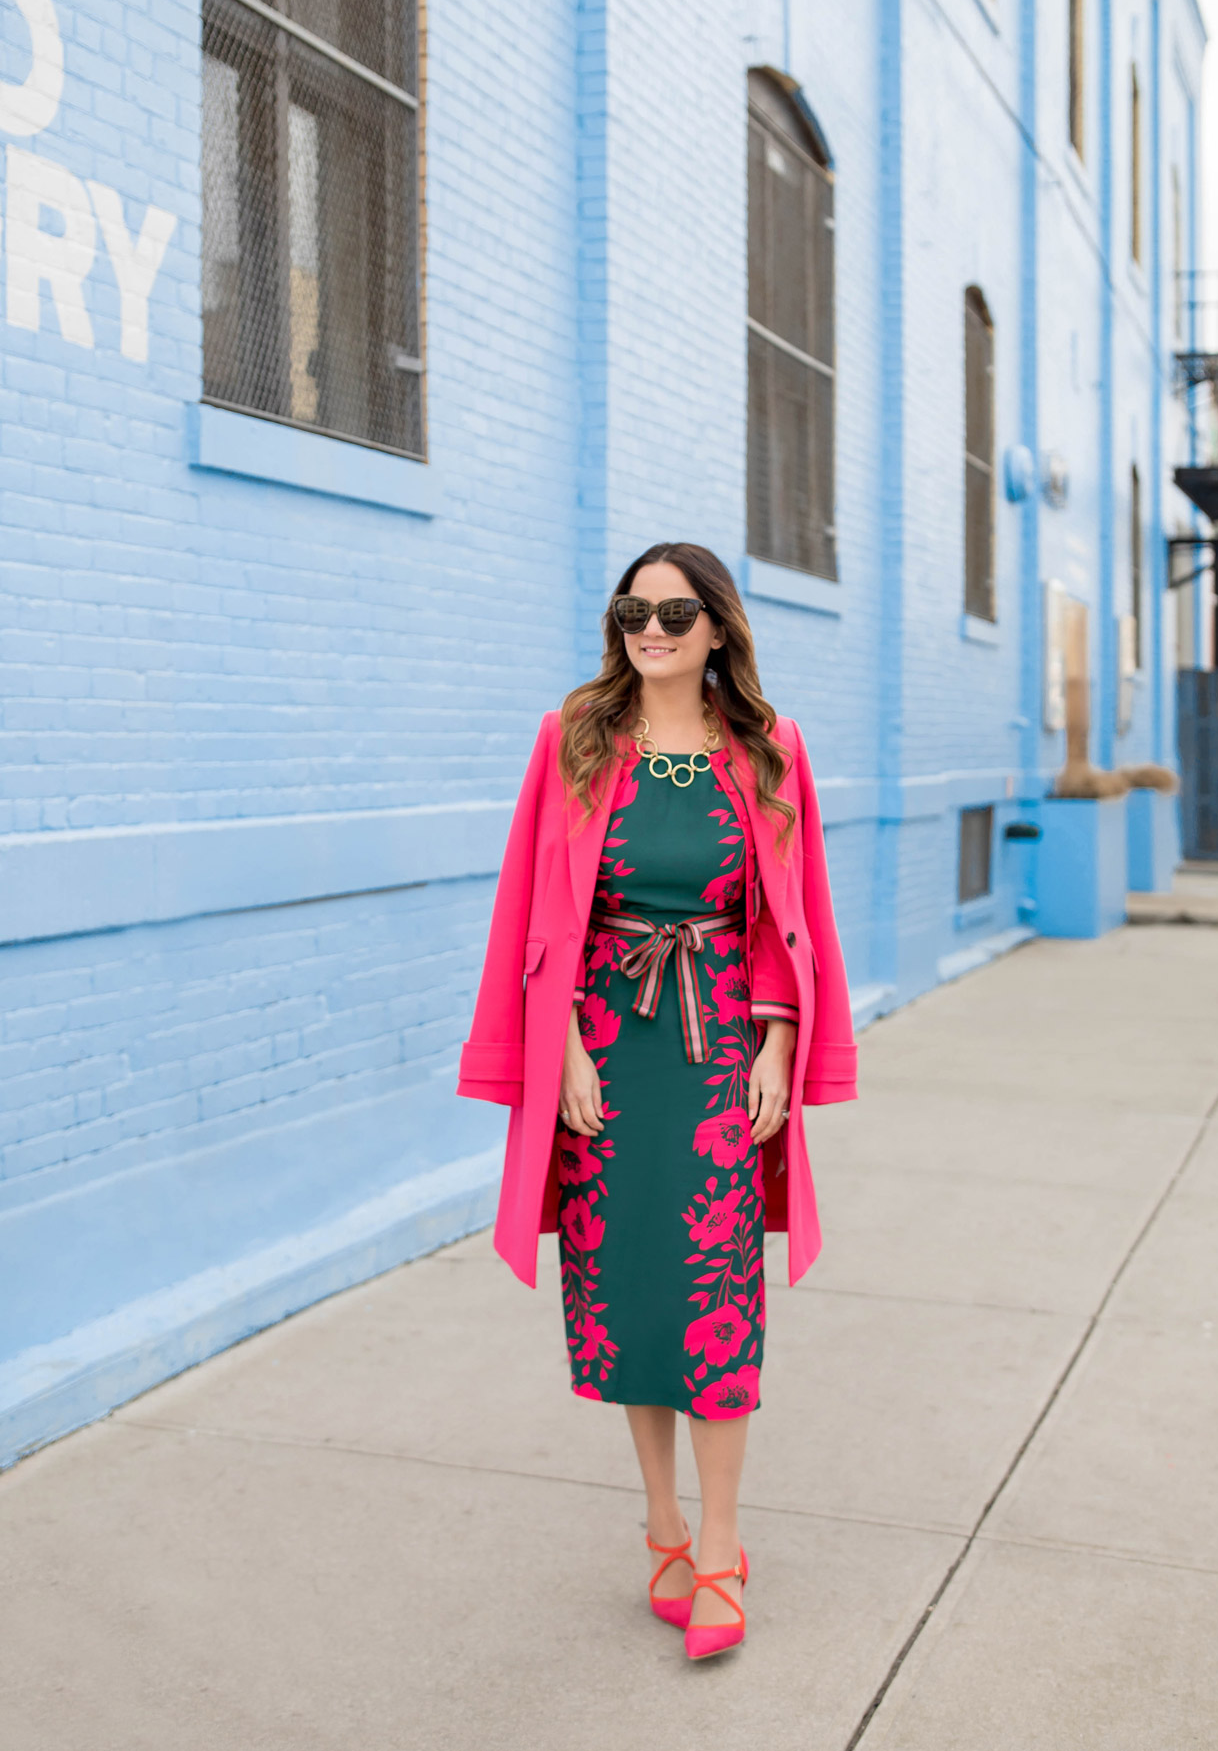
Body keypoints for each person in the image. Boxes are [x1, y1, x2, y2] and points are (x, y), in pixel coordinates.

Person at [458, 541, 857, 1659]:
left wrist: (779, 1045)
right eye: (634, 609)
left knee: (715, 1295)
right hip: (606, 1054)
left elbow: (789, 913)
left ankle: (722, 1547)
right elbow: (532, 910)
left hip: (718, 1049)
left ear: (718, 628)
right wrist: (559, 1055)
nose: (651, 628)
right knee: (630, 1293)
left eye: (675, 613)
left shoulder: (768, 751)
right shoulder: (574, 739)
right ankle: (661, 1523)